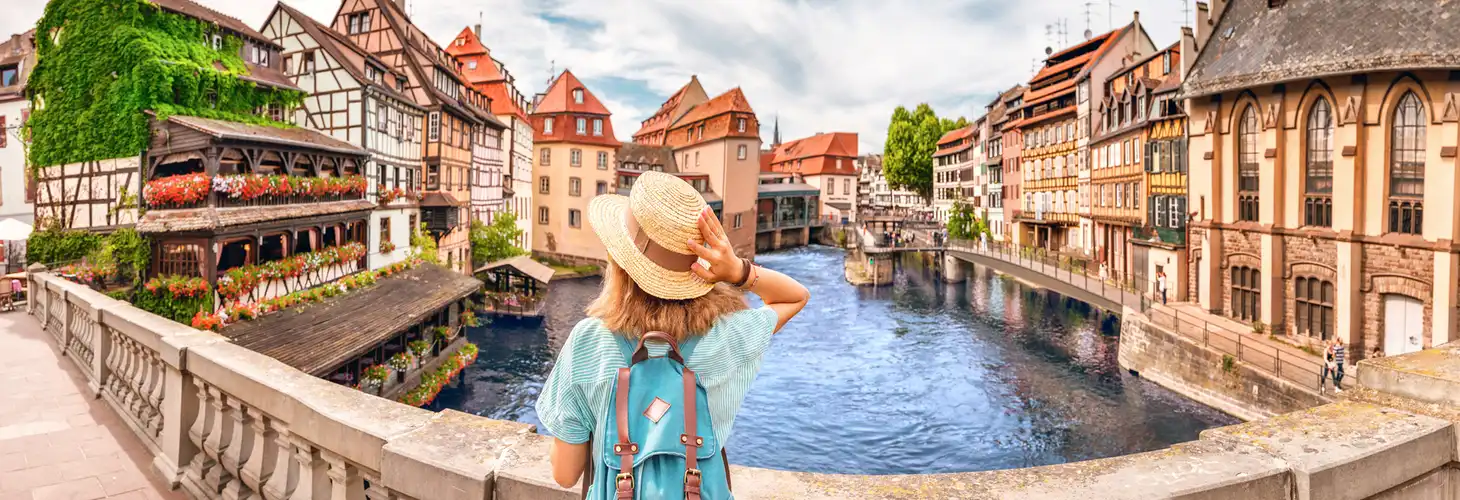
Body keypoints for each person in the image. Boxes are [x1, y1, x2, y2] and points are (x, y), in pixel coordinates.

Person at [535, 171, 811, 490]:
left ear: (619, 260)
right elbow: (796, 296)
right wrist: (737, 270)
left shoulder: (589, 341)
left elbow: (565, 474)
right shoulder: (729, 336)